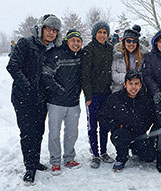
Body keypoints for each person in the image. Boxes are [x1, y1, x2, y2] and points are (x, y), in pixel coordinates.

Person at [6, 14, 62, 184]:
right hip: (23, 97)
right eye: (48, 29)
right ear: (41, 28)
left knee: (38, 131)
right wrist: (28, 86)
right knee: (28, 132)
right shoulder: (26, 43)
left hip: (41, 98)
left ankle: (35, 161)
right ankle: (29, 167)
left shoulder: (52, 49)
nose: (51, 33)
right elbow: (13, 66)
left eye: (55, 30)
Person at [41, 29, 83, 175]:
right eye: (73, 40)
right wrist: (59, 90)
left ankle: (69, 158)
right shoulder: (56, 54)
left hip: (73, 102)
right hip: (56, 102)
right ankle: (55, 162)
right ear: (67, 41)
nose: (76, 43)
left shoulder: (81, 57)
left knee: (72, 133)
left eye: (78, 41)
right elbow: (46, 75)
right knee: (54, 133)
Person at [99, 70, 156, 172]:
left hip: (138, 133)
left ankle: (136, 149)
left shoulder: (145, 99)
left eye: (136, 84)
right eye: (130, 83)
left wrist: (142, 126)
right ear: (125, 84)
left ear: (140, 85)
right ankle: (121, 158)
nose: (133, 87)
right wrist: (116, 126)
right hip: (121, 133)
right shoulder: (115, 98)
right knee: (121, 136)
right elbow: (103, 117)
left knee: (149, 157)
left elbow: (151, 117)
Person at [82, 20, 114, 169]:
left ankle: (104, 151)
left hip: (106, 93)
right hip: (93, 95)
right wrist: (88, 96)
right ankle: (95, 154)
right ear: (95, 34)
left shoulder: (110, 48)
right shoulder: (88, 49)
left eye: (105, 33)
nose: (102, 35)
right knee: (92, 125)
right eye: (100, 32)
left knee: (105, 125)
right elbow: (85, 75)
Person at [111, 24, 148, 93]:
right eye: (128, 41)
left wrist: (136, 80)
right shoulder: (116, 55)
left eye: (134, 41)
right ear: (124, 42)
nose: (131, 43)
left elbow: (146, 73)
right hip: (119, 90)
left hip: (137, 91)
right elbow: (113, 74)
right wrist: (128, 78)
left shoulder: (143, 56)